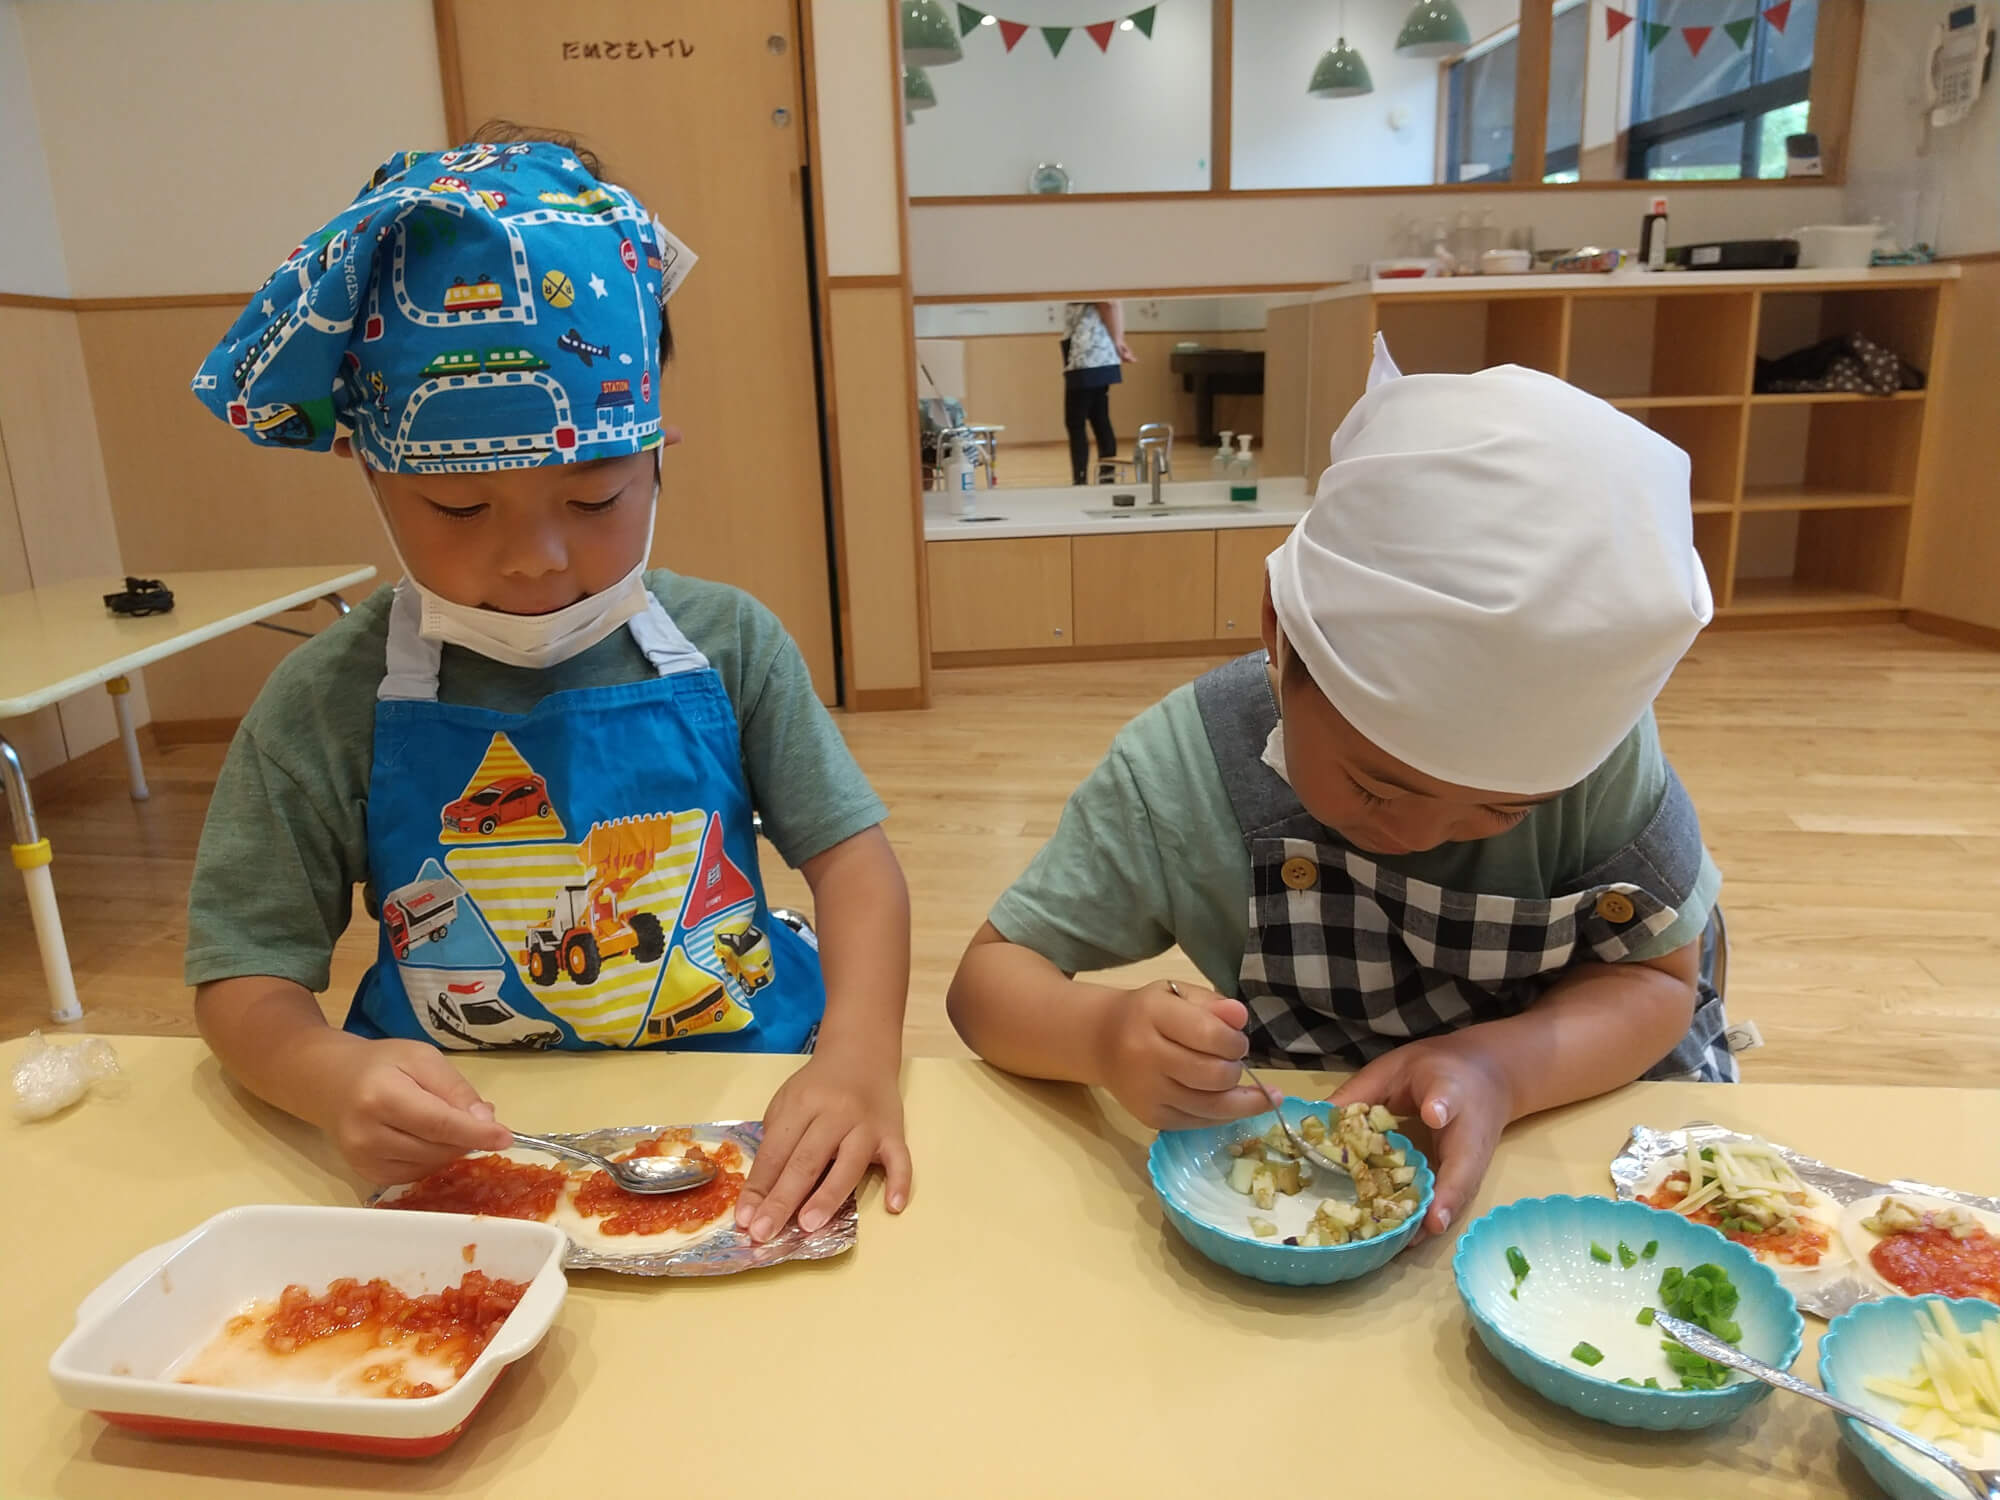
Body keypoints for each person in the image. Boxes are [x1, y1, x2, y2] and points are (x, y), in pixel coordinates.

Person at [186, 126, 912, 1244]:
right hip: (472, 1145)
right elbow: (244, 978)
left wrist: (858, 1060)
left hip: (742, 1107)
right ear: (369, 471)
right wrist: (330, 1078)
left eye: (593, 501)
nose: (535, 558)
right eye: (460, 511)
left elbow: (853, 865)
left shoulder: (729, 642)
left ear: (656, 454)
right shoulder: (326, 699)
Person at [946, 340, 1731, 1238]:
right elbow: (986, 984)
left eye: (1504, 810)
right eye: (1377, 786)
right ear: (1282, 632)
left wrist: (1497, 1069)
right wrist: (1099, 1036)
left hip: (1554, 1159)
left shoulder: (1603, 764)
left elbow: (1659, 983)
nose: (1428, 833)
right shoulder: (1185, 770)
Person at [1061, 300, 1134, 484]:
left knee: (1075, 421)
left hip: (1086, 355)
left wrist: (1118, 340)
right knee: (1100, 419)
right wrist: (1119, 339)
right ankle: (1107, 477)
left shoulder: (1091, 280)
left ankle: (1081, 479)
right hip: (1101, 354)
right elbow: (1115, 304)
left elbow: (1108, 303)